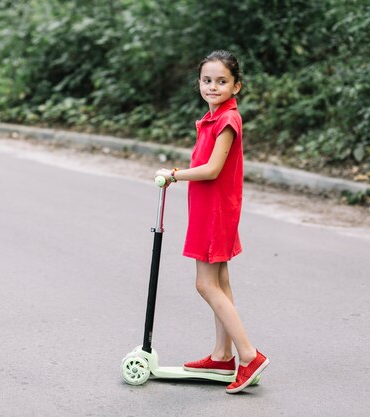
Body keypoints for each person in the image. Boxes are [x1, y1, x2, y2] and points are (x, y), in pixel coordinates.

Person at [155, 50, 269, 394]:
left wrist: (174, 174)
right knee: (220, 280)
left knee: (205, 284)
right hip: (211, 208)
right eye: (207, 80)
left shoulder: (227, 121)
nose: (213, 86)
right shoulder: (212, 118)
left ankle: (249, 355)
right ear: (199, 84)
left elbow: (212, 170)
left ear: (237, 86)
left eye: (222, 81)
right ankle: (222, 356)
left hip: (216, 211)